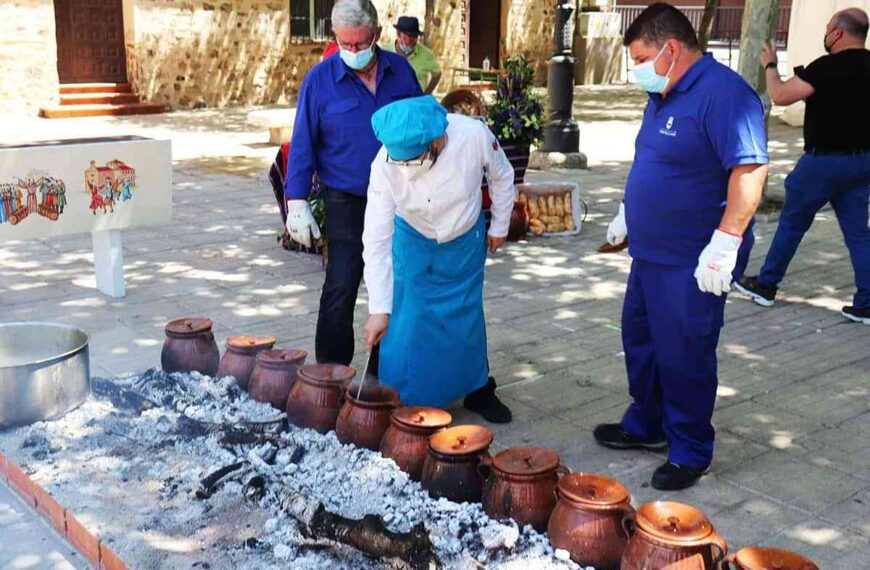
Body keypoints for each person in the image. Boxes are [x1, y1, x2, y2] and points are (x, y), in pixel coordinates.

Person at [594, 3, 769, 491]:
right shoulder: (665, 92)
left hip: (694, 260)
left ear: (670, 49)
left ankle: (690, 448)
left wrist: (727, 240)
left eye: (642, 57)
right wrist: (629, 210)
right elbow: (652, 158)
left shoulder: (726, 96)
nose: (638, 70)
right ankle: (646, 423)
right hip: (651, 253)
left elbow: (750, 170)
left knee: (684, 353)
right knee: (641, 339)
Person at [284, 0, 422, 367]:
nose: (353, 52)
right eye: (345, 44)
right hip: (347, 198)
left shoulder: (402, 72)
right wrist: (295, 201)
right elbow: (302, 143)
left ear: (376, 35)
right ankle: (330, 374)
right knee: (341, 285)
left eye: (360, 44)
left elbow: (423, 123)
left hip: (400, 196)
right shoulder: (320, 80)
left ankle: (386, 368)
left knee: (397, 283)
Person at [361, 95, 514, 421]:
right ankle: (405, 398)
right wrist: (378, 310)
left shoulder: (473, 135)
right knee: (410, 318)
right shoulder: (384, 164)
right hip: (414, 239)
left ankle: (477, 390)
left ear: (436, 141)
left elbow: (502, 175)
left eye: (412, 161)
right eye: (399, 162)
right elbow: (375, 239)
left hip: (464, 237)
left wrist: (501, 224)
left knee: (466, 315)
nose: (405, 170)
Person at [735, 8, 870, 325]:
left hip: (823, 162)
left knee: (792, 224)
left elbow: (780, 95)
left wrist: (770, 65)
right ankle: (866, 303)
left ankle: (766, 285)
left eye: (828, 28)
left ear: (837, 32)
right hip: (862, 163)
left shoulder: (825, 67)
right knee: (859, 235)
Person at [380, 16, 442, 94]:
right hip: (391, 102)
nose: (413, 41)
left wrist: (427, 93)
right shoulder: (384, 52)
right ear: (398, 34)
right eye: (409, 36)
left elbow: (437, 73)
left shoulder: (426, 54)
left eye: (415, 36)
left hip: (415, 102)